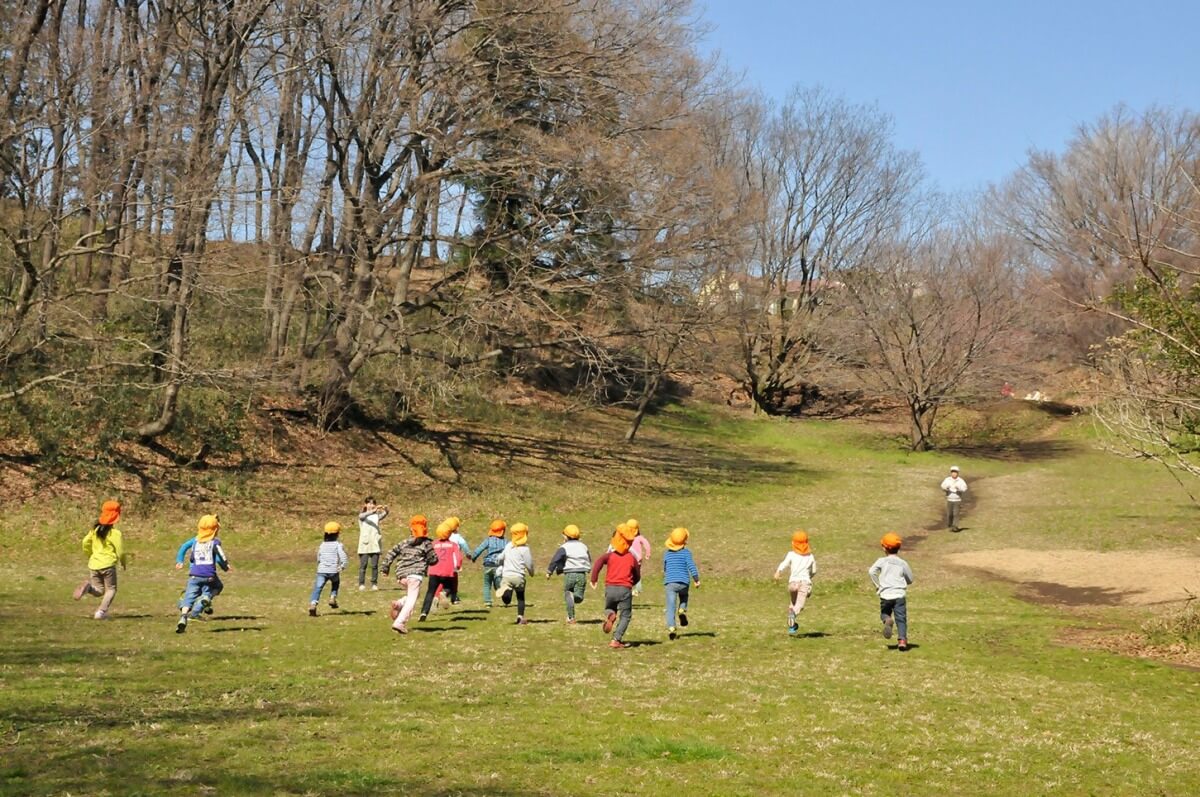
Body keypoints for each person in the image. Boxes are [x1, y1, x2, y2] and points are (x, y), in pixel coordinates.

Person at [380, 515, 438, 634]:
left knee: (414, 594)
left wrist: (385, 568)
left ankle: (400, 603)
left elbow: (391, 553)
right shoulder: (426, 543)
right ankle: (399, 623)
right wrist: (432, 559)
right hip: (415, 575)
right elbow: (433, 560)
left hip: (401, 575)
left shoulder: (404, 542)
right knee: (412, 599)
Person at [175, 515, 231, 634]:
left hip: (194, 575)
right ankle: (205, 601)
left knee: (189, 598)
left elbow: (184, 548)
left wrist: (180, 561)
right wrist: (225, 567)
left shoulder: (195, 541)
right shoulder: (214, 542)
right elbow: (221, 557)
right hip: (209, 575)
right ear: (215, 530)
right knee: (216, 587)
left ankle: (183, 616)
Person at [74, 499, 127, 619]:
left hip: (94, 564)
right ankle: (101, 612)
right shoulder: (115, 533)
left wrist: (90, 555)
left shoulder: (95, 530)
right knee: (111, 589)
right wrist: (123, 562)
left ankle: (88, 588)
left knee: (99, 590)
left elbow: (85, 542)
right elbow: (121, 551)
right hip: (108, 565)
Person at [590, 528, 641, 649]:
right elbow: (638, 575)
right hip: (625, 589)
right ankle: (616, 639)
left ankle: (610, 614)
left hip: (610, 588)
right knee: (626, 615)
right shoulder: (631, 558)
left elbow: (598, 562)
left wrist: (594, 578)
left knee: (609, 608)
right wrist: (632, 583)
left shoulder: (610, 556)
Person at [869, 532, 914, 652]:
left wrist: (877, 585)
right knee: (901, 619)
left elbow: (871, 571)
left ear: (884, 548)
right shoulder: (903, 563)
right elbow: (910, 579)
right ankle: (902, 640)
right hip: (899, 595)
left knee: (884, 613)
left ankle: (887, 620)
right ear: (899, 548)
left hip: (885, 594)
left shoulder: (882, 561)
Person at [546, 524, 591, 624]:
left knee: (568, 593)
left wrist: (550, 571)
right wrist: (588, 568)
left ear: (565, 537)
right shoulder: (583, 546)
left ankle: (571, 617)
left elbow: (555, 559)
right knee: (579, 595)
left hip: (569, 574)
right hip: (581, 574)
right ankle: (577, 597)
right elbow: (588, 558)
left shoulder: (564, 547)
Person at [773, 530, 816, 635]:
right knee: (799, 606)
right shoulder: (810, 557)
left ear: (793, 543)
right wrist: (809, 577)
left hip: (792, 584)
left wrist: (778, 571)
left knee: (793, 603)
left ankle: (792, 627)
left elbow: (784, 563)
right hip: (804, 584)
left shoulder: (791, 554)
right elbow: (814, 571)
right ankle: (793, 614)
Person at [419, 521, 464, 620]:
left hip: (434, 571)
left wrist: (426, 568)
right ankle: (444, 593)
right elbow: (458, 557)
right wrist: (458, 566)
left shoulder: (433, 544)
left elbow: (427, 556)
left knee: (430, 592)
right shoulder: (453, 545)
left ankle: (424, 612)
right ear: (449, 533)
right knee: (451, 588)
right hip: (448, 571)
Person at [662, 527, 700, 640]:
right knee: (684, 596)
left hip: (670, 583)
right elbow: (691, 566)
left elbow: (665, 568)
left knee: (670, 606)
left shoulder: (667, 554)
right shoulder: (686, 553)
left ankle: (672, 628)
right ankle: (682, 609)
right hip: (684, 582)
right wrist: (696, 579)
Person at [496, 523, 535, 624]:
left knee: (507, 600)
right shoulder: (525, 549)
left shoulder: (508, 545)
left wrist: (499, 563)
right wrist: (531, 572)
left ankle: (506, 592)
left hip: (506, 576)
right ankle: (520, 617)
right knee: (520, 598)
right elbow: (529, 564)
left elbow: (501, 557)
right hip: (518, 577)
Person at [309, 521, 349, 616]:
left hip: (322, 570)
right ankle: (332, 597)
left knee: (318, 588)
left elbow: (319, 557)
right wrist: (343, 566)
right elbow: (343, 556)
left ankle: (313, 604)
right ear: (338, 534)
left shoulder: (322, 545)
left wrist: (320, 564)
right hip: (333, 570)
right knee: (335, 583)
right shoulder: (338, 545)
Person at [469, 519, 508, 608]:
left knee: (487, 584)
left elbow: (479, 549)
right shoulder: (506, 542)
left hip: (488, 565)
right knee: (499, 582)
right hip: (499, 566)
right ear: (503, 531)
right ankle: (503, 594)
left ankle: (487, 602)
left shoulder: (488, 540)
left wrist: (474, 557)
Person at [357, 497, 388, 591]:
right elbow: (361, 517)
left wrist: (386, 510)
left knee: (374, 566)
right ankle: (361, 584)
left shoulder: (376, 516)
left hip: (375, 543)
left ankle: (374, 584)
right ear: (365, 505)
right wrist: (373, 510)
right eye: (369, 503)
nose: (371, 505)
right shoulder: (362, 515)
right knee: (363, 565)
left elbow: (384, 515)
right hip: (365, 543)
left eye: (373, 503)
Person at [626, 518, 651, 597]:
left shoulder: (628, 538)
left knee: (629, 575)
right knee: (637, 574)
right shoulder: (639, 537)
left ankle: (633, 589)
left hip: (630, 560)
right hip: (636, 560)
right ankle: (636, 589)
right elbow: (647, 544)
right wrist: (647, 553)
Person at [940, 466, 968, 531]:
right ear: (951, 473)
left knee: (956, 514)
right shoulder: (947, 479)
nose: (954, 473)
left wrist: (959, 488)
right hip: (949, 499)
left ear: (958, 473)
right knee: (950, 514)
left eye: (955, 472)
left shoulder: (961, 481)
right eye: (952, 472)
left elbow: (964, 488)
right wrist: (946, 487)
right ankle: (950, 525)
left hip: (957, 500)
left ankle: (955, 526)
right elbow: (942, 486)